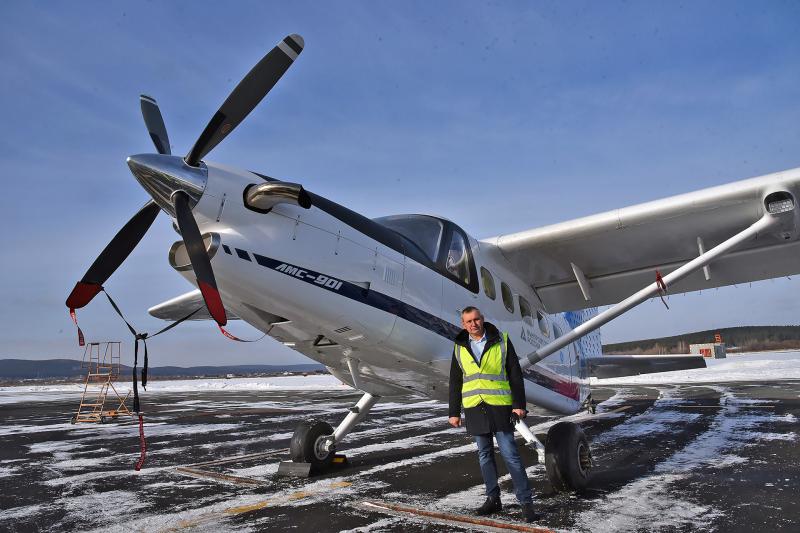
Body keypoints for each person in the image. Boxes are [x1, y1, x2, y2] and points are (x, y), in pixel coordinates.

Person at [448, 306, 539, 523]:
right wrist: (454, 411)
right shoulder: (459, 346)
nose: (473, 324)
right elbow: (455, 381)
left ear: (482, 319)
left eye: (476, 319)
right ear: (463, 324)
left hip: (500, 407)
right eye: (468, 321)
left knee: (511, 456)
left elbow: (515, 374)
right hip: (474, 408)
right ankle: (493, 499)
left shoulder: (502, 340)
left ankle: (526, 503)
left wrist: (519, 404)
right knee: (484, 456)